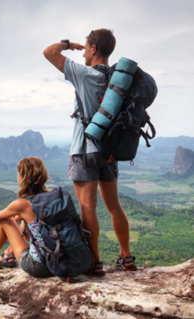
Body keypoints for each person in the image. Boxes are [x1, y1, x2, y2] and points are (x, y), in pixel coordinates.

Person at [43, 29, 137, 276]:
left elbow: (49, 52)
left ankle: (95, 263)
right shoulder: (118, 80)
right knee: (114, 206)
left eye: (85, 48)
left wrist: (68, 44)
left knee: (87, 209)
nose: (82, 52)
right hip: (109, 151)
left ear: (94, 49)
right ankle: (126, 257)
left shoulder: (84, 74)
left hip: (84, 151)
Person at [0, 157, 53, 278]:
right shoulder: (52, 198)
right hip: (60, 260)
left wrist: (14, 217)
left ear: (22, 178)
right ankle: (8, 253)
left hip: (40, 266)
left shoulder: (22, 204)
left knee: (5, 219)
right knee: (27, 221)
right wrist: (20, 217)